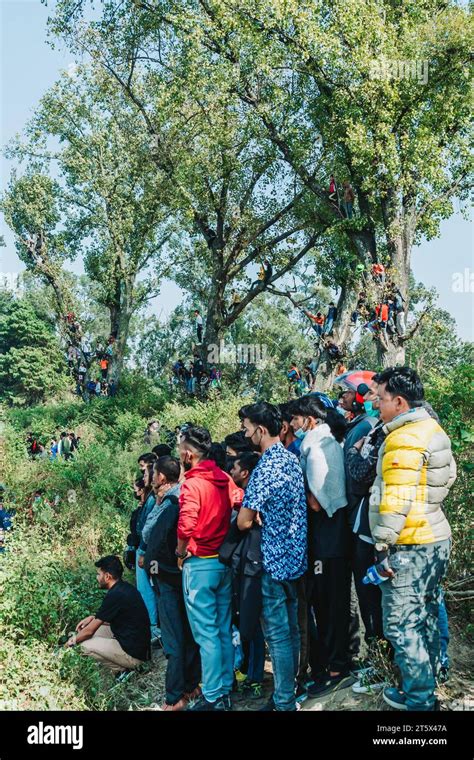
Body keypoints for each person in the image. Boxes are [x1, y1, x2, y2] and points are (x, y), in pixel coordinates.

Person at [369, 367, 456, 711]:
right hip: (434, 535)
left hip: (409, 543)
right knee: (427, 613)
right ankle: (429, 681)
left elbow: (393, 497)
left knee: (402, 624)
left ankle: (420, 701)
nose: (377, 405)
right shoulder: (432, 428)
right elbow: (446, 477)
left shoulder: (404, 437)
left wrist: (381, 546)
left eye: (381, 399)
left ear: (399, 401)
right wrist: (427, 506)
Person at [237, 402, 307, 711]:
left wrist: (255, 517)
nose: (245, 433)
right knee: (291, 630)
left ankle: (283, 701)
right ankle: (288, 692)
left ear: (260, 430)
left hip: (271, 561)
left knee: (277, 636)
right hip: (294, 557)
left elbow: (242, 520)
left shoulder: (264, 467)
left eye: (246, 428)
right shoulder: (292, 459)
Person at [290, 396, 354, 696]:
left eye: (296, 419)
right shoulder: (322, 443)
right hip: (331, 537)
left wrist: (297, 487)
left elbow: (317, 502)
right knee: (330, 603)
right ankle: (335, 663)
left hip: (329, 538)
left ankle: (337, 667)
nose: (293, 425)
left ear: (310, 420)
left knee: (330, 605)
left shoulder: (318, 449)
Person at [177, 425, 241, 711]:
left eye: (181, 453)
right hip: (223, 562)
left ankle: (213, 695)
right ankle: (225, 687)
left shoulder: (192, 484)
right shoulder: (224, 478)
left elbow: (186, 524)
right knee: (223, 628)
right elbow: (240, 500)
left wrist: (180, 551)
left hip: (200, 563)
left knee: (207, 634)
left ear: (189, 455)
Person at [144, 457, 201, 711]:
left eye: (152, 473)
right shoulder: (182, 498)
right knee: (188, 634)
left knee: (173, 638)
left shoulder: (169, 504)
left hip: (168, 578)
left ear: (162, 477)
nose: (150, 477)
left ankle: (174, 697)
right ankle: (190, 685)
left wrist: (154, 569)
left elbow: (150, 536)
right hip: (182, 576)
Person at [345, 379, 386, 692]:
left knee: (377, 597)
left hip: (379, 528)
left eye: (377, 394)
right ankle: (377, 660)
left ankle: (384, 665)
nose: (375, 399)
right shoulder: (372, 428)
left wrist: (356, 454)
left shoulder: (373, 429)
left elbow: (358, 475)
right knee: (369, 595)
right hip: (368, 524)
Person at [66, 556, 150, 675]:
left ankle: (123, 670)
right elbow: (110, 619)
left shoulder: (115, 595)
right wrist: (92, 618)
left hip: (135, 656)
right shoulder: (123, 588)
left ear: (107, 576)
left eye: (98, 574)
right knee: (85, 631)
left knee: (82, 645)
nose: (97, 578)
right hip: (135, 644)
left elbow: (89, 631)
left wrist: (68, 644)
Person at [229, 451, 265, 700]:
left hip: (255, 562)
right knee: (247, 621)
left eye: (235, 468)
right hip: (246, 562)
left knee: (254, 622)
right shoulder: (246, 493)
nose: (231, 472)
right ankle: (251, 673)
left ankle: (256, 676)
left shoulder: (255, 492)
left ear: (246, 473)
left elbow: (243, 523)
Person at [136, 463, 161, 645]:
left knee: (149, 588)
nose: (143, 477)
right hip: (146, 549)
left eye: (145, 474)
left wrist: (143, 551)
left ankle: (154, 627)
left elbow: (149, 527)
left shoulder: (154, 499)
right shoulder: (151, 498)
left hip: (148, 551)